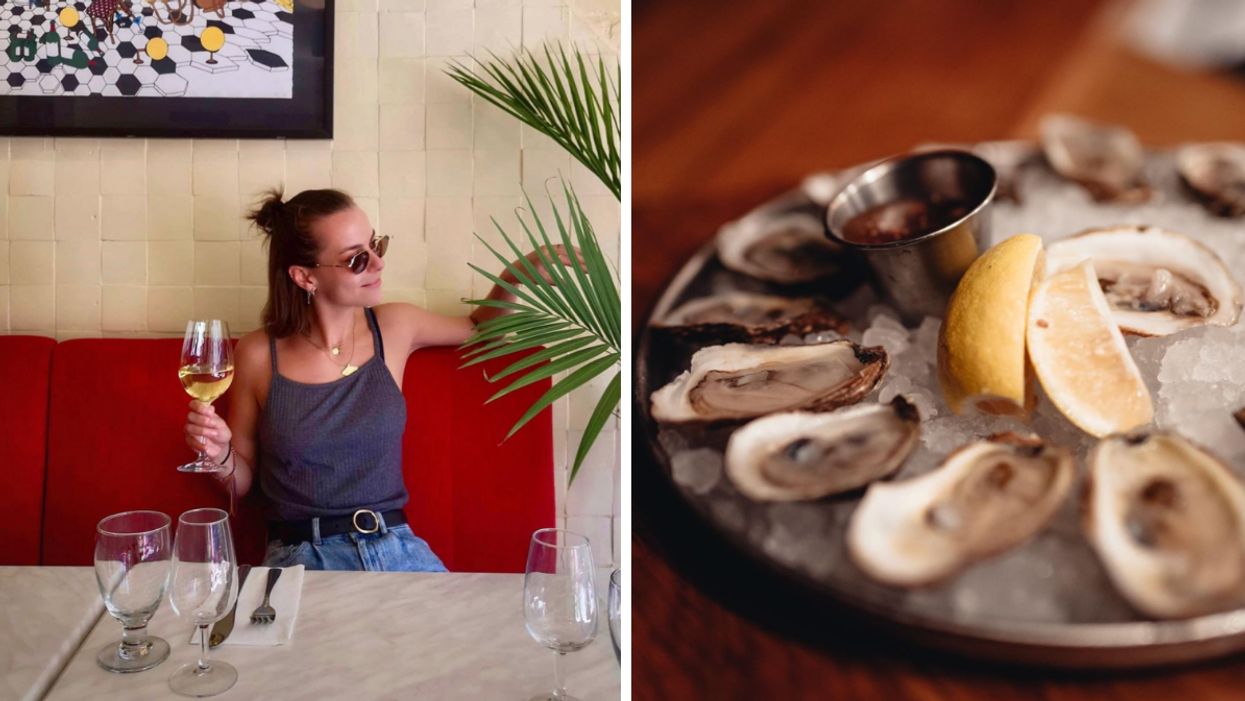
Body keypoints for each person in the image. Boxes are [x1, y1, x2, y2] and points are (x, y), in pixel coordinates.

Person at [183, 187, 580, 572]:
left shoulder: (394, 326)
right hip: (302, 558)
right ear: (305, 277)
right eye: (357, 259)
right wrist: (219, 457)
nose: (378, 264)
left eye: (376, 246)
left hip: (398, 548)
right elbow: (242, 484)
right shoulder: (257, 355)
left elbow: (482, 330)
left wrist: (519, 273)